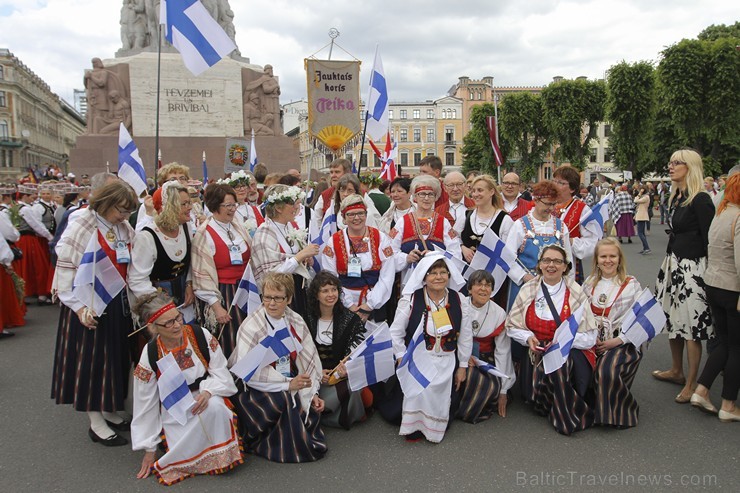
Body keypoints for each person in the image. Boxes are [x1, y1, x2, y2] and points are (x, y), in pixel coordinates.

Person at [51, 181, 139, 446]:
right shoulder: (82, 224)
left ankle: (109, 409)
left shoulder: (123, 227)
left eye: (128, 212)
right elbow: (65, 270)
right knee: (93, 362)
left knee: (115, 359)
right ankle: (96, 422)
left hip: (117, 302)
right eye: (121, 210)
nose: (125, 216)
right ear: (106, 203)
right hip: (89, 304)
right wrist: (79, 308)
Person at [130, 292, 242, 485]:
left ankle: (218, 455)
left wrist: (208, 392)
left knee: (215, 407)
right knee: (181, 432)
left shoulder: (200, 335)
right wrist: (149, 449)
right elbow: (145, 404)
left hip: (207, 393)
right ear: (153, 327)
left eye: (178, 317)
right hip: (175, 404)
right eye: (168, 323)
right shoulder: (149, 355)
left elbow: (220, 370)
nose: (176, 325)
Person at [229, 272, 327, 462]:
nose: (271, 303)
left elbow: (309, 357)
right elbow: (249, 372)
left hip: (289, 376)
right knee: (283, 401)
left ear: (289, 299)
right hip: (254, 385)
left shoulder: (295, 320)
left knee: (305, 403)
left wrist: (312, 391)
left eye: (278, 298)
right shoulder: (252, 327)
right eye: (267, 297)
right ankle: (270, 443)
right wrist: (288, 384)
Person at [506, 245, 597, 435]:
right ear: (539, 265)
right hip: (536, 351)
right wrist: (528, 338)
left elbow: (590, 336)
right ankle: (552, 404)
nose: (551, 265)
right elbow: (512, 325)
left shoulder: (576, 292)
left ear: (565, 266)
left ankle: (567, 416)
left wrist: (563, 343)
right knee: (538, 401)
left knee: (560, 366)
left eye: (557, 261)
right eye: (546, 261)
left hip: (569, 351)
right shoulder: (528, 289)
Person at [653, 149, 715, 404]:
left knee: (692, 326)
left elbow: (710, 238)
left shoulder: (701, 199)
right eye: (670, 162)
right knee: (673, 320)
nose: (671, 166)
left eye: (677, 163)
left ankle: (692, 383)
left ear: (691, 167)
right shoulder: (679, 196)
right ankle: (677, 371)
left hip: (693, 269)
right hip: (675, 265)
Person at [389, 254, 472, 442]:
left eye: (443, 272)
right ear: (424, 277)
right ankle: (415, 427)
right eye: (433, 273)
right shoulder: (411, 299)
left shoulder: (459, 300)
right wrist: (401, 356)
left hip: (446, 360)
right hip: (418, 360)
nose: (438, 277)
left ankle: (434, 427)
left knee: (441, 398)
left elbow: (466, 335)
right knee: (419, 391)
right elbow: (395, 332)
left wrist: (463, 366)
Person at [691, 173, 740, 422]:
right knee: (736, 347)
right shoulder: (738, 216)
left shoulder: (722, 213)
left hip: (714, 284)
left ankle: (702, 389)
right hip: (733, 288)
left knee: (722, 341)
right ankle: (729, 404)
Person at [583, 238, 643, 428]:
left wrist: (617, 340)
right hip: (591, 340)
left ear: (619, 258)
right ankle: (587, 408)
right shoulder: (589, 283)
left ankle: (620, 414)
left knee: (607, 370)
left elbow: (642, 320)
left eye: (612, 256)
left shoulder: (631, 284)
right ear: (597, 259)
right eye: (603, 256)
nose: (608, 260)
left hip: (621, 341)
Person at [191, 184, 251, 359]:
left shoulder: (237, 225)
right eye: (228, 206)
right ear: (215, 206)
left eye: (234, 205)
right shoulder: (204, 234)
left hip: (245, 288)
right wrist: (216, 306)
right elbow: (200, 275)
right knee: (231, 340)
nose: (233, 209)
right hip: (225, 293)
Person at [304, 272, 367, 429]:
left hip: (339, 376)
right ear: (316, 294)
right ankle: (318, 407)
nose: (331, 294)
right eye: (325, 290)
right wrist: (318, 372)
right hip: (313, 374)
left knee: (354, 386)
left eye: (334, 289)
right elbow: (302, 353)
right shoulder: (305, 318)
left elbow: (356, 351)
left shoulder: (350, 319)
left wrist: (345, 369)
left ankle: (324, 413)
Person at [320, 194, 396, 323]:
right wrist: (350, 305)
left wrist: (369, 305)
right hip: (345, 303)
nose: (357, 218)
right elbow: (330, 276)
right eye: (351, 214)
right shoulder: (334, 241)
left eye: (361, 213)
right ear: (344, 218)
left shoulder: (381, 237)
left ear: (366, 215)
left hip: (375, 300)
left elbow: (387, 275)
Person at [456, 270, 515, 423]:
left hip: (484, 358)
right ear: (469, 289)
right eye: (478, 284)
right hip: (459, 354)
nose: (483, 289)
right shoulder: (459, 305)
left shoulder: (499, 313)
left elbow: (503, 351)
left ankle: (466, 409)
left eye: (488, 285)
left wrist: (504, 389)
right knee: (464, 378)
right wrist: (464, 356)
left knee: (490, 387)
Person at [505, 180, 573, 309]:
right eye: (547, 204)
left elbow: (568, 261)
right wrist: (524, 277)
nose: (551, 208)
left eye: (554, 204)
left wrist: (568, 286)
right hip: (525, 287)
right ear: (535, 200)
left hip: (554, 288)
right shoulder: (520, 225)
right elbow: (508, 258)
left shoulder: (561, 226)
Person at [251, 184, 317, 316]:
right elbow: (269, 275)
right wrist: (300, 256)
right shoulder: (265, 232)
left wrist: (305, 259)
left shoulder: (289, 226)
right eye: (291, 203)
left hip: (296, 289)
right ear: (278, 208)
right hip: (278, 294)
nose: (296, 207)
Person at [129, 181, 195, 312]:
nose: (189, 207)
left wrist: (189, 284)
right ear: (169, 207)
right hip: (156, 307)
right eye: (184, 204)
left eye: (189, 202)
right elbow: (137, 280)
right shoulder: (147, 237)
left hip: (184, 303)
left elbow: (190, 264)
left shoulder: (186, 227)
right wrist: (160, 305)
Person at [389, 175, 461, 284]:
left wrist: (435, 256)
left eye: (430, 194)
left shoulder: (443, 222)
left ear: (435, 197)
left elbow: (455, 253)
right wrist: (406, 258)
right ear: (415, 197)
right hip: (410, 281)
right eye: (422, 194)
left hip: (438, 282)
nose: (426, 198)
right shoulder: (402, 222)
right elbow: (390, 252)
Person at [552, 166, 602, 282]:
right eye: (554, 181)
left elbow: (592, 243)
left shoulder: (582, 210)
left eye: (560, 183)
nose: (555, 185)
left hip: (569, 267)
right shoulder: (544, 205)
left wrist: (570, 241)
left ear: (572, 189)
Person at [13, 184, 54, 304]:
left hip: (21, 239)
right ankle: (41, 293)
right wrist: (49, 237)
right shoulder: (25, 209)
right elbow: (36, 225)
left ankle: (27, 292)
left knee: (25, 267)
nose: (34, 198)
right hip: (28, 239)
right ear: (25, 196)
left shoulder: (15, 207)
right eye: (32, 196)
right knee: (38, 267)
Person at [634, 186, 652, 254]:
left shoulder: (645, 197)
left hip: (642, 215)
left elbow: (635, 200)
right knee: (642, 233)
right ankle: (645, 248)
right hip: (641, 215)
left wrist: (639, 193)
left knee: (640, 233)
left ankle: (647, 248)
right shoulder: (645, 196)